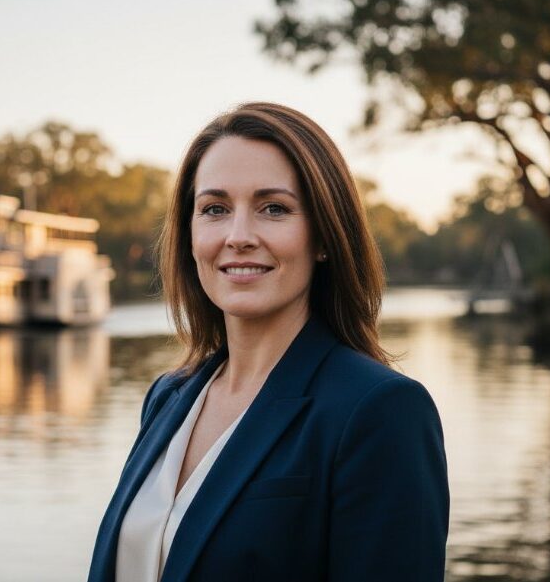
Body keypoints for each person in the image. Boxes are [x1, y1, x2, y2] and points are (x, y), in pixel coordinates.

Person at [87, 102, 449, 582]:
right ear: (189, 234)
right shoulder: (167, 396)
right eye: (214, 209)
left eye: (273, 208)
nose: (238, 236)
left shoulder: (381, 411)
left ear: (323, 236)